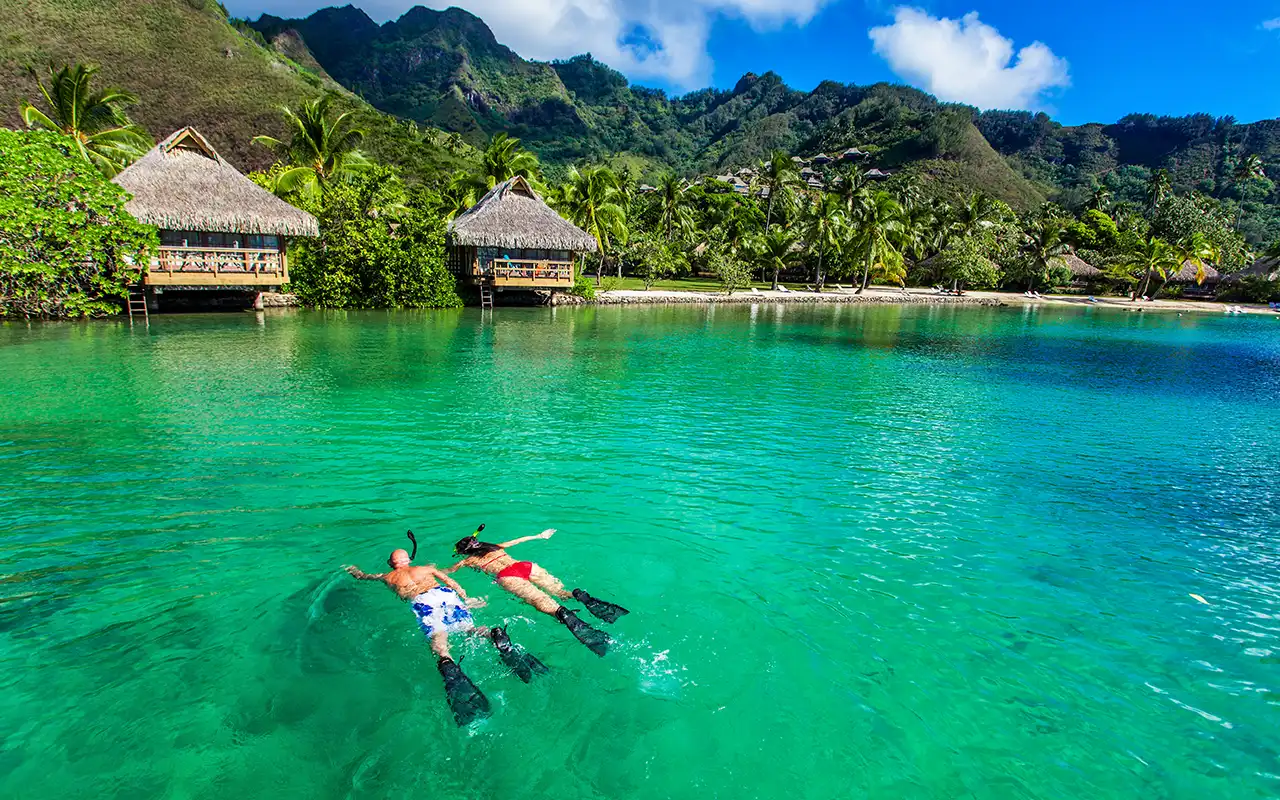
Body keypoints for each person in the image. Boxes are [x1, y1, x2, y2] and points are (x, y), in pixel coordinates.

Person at [345, 544, 547, 725]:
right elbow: (450, 580)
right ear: (409, 560)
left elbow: (363, 576)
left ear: (391, 563)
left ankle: (447, 662)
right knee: (469, 629)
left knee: (439, 639)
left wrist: (353, 570)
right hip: (445, 595)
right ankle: (493, 635)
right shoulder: (426, 568)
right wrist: (466, 598)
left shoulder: (387, 576)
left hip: (423, 603)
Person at [447, 525, 628, 657]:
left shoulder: (468, 561)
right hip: (524, 566)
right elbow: (519, 540)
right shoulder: (496, 547)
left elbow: (448, 573)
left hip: (507, 576)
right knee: (560, 592)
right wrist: (541, 535)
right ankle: (578, 596)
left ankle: (562, 613)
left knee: (541, 601)